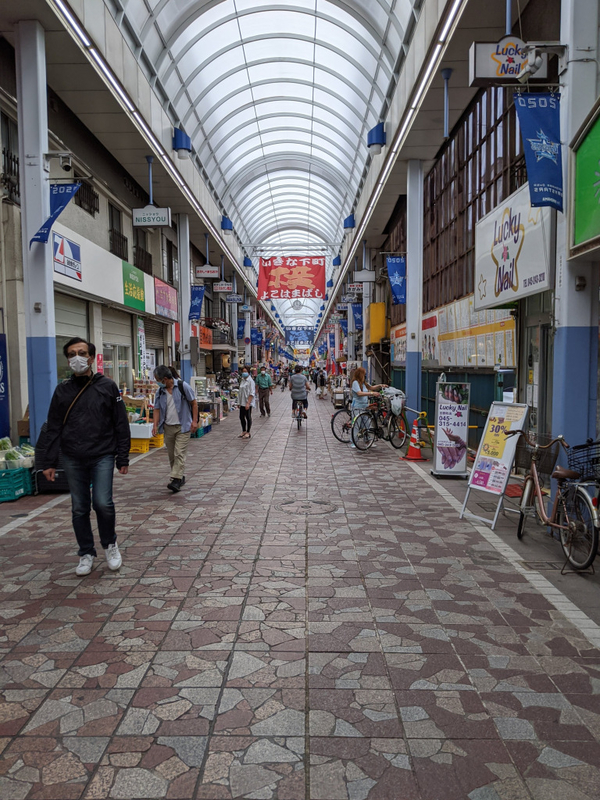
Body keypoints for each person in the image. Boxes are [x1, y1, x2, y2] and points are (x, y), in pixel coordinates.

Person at [42, 337, 130, 576]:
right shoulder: (62, 390)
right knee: (79, 507)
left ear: (91, 358)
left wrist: (123, 457)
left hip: (102, 454)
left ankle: (110, 544)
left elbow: (120, 423)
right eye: (71, 354)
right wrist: (48, 462)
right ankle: (86, 552)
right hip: (72, 456)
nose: (77, 358)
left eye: (81, 353)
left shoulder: (107, 386)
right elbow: (53, 427)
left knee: (102, 503)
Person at [152, 365, 198, 493]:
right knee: (172, 455)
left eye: (158, 380)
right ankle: (179, 477)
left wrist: (194, 421)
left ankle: (176, 480)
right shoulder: (160, 392)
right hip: (168, 426)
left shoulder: (183, 387)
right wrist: (155, 425)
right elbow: (156, 409)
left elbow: (194, 403)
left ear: (165, 379)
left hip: (183, 426)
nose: (157, 382)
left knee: (179, 453)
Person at [350, 367, 387, 448]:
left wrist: (380, 385)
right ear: (360, 374)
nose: (365, 375)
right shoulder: (355, 383)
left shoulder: (363, 383)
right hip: (357, 407)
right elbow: (359, 393)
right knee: (357, 424)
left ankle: (368, 441)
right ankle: (354, 442)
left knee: (367, 425)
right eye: (364, 374)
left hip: (365, 406)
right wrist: (371, 393)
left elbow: (371, 388)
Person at [237, 368, 256, 439]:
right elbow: (240, 392)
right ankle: (243, 431)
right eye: (243, 371)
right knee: (241, 417)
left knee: (248, 417)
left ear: (248, 372)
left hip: (248, 402)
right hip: (242, 402)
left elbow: (252, 393)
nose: (244, 373)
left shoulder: (251, 381)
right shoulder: (242, 380)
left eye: (245, 371)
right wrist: (238, 402)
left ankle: (248, 432)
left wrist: (248, 403)